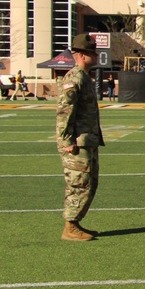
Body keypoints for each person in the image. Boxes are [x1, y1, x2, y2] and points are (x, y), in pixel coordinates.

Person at [56, 34, 105, 241]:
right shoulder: (74, 78)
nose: (96, 56)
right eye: (93, 53)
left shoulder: (84, 77)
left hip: (87, 139)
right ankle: (70, 226)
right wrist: (66, 140)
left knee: (89, 182)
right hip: (77, 142)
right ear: (83, 55)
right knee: (79, 183)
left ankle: (75, 222)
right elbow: (65, 111)